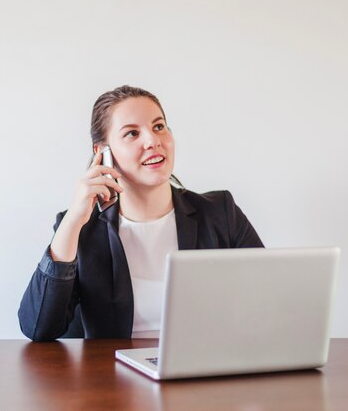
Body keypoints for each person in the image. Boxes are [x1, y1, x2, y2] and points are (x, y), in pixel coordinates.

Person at [18, 85, 264, 341]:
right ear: (102, 153)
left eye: (159, 126)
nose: (153, 141)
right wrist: (72, 223)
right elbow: (38, 328)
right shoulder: (82, 227)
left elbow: (269, 296)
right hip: (113, 375)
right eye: (132, 133)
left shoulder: (219, 212)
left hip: (205, 370)